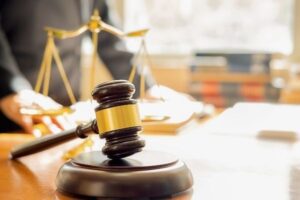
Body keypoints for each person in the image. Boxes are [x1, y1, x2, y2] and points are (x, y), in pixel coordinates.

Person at [0, 0, 155, 133]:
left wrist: (146, 88)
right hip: (11, 113)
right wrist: (10, 87)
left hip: (65, 115)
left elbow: (109, 37)